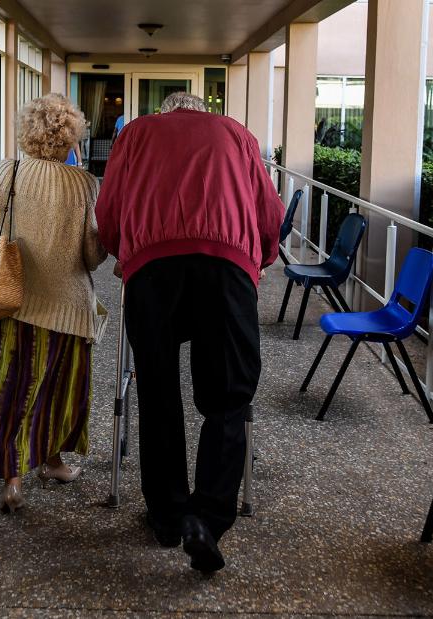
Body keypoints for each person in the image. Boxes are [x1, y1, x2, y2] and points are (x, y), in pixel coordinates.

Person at [95, 92, 281, 573]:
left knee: (157, 391)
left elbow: (109, 209)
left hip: (153, 270)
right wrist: (257, 260)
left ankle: (166, 515)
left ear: (168, 111)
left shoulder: (135, 133)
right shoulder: (237, 134)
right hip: (226, 267)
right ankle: (208, 517)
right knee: (229, 396)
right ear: (202, 110)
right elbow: (268, 215)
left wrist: (126, 254)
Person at [0, 93, 108, 514]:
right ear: (70, 137)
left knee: (8, 388)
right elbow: (92, 257)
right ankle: (53, 462)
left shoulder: (5, 172)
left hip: (11, 301)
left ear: (26, 131)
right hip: (67, 308)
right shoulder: (84, 184)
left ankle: (11, 479)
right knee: (59, 391)